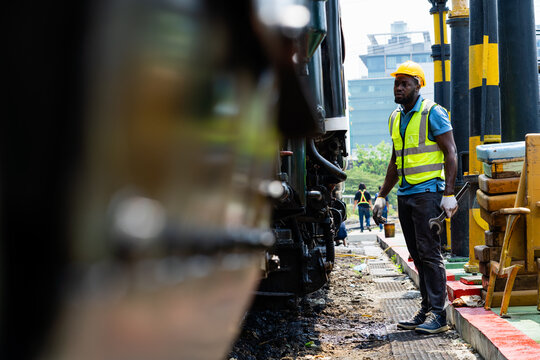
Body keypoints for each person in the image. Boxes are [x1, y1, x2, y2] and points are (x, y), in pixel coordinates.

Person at [372, 61, 458, 335]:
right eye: (396, 83)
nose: (398, 87)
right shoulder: (394, 118)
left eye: (404, 83)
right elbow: (395, 161)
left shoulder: (433, 113)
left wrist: (449, 194)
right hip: (406, 195)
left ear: (417, 86)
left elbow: (451, 153)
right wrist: (381, 195)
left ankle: (438, 315)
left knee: (430, 254)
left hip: (429, 194)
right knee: (417, 255)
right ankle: (426, 308)